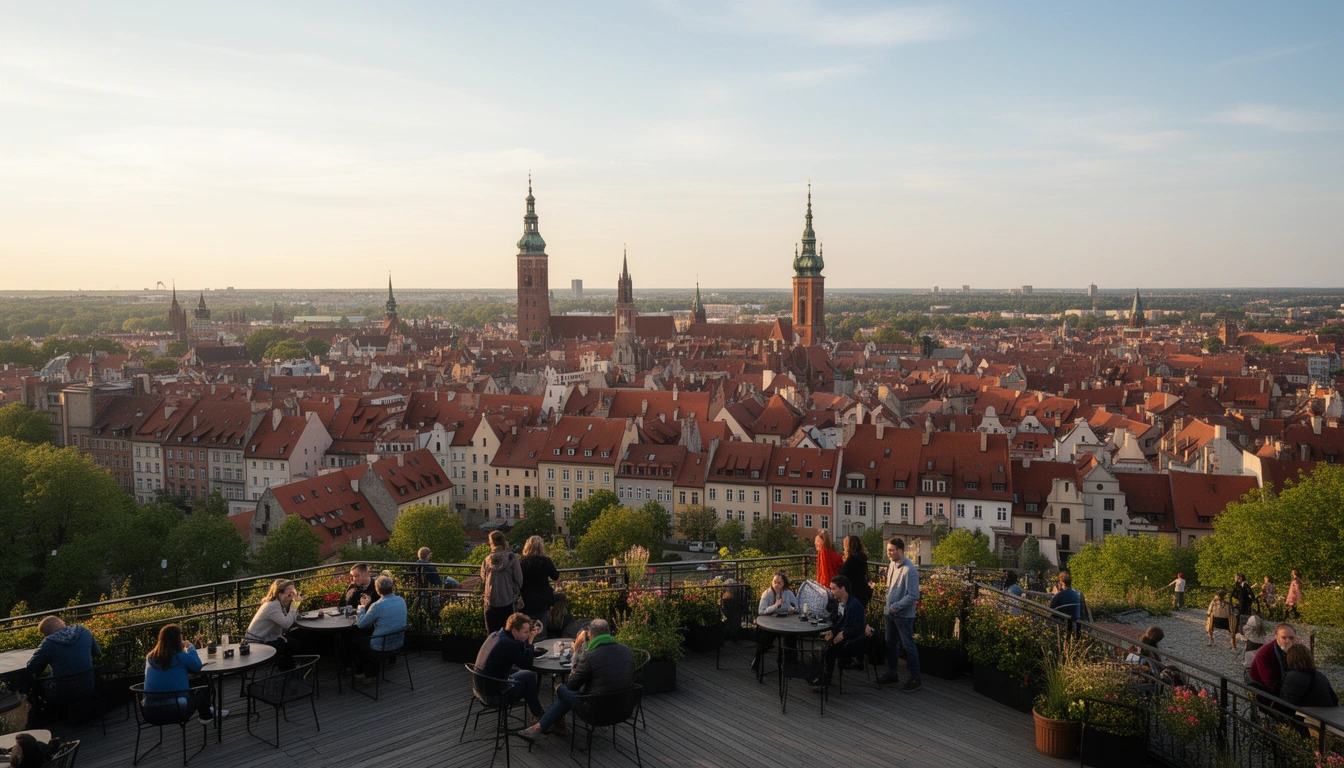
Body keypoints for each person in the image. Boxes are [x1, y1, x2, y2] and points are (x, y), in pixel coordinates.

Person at [519, 618, 635, 742]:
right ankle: (545, 727)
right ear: (609, 633)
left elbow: (571, 685)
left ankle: (543, 727)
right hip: (624, 709)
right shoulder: (626, 650)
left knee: (561, 689)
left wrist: (575, 658)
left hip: (596, 712)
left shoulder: (590, 656)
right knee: (571, 694)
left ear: (590, 634)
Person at [143, 624, 227, 724]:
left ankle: (207, 710)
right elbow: (197, 666)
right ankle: (206, 716)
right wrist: (191, 648)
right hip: (176, 711)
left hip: (149, 711)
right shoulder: (181, 656)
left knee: (193, 684)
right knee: (202, 686)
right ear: (177, 640)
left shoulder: (150, 657)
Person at [473, 612, 545, 727]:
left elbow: (519, 654)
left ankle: (538, 715)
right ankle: (541, 718)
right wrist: (530, 641)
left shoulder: (496, 635)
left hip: (479, 688)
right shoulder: (510, 644)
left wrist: (527, 641)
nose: (527, 635)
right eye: (525, 632)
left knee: (527, 676)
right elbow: (526, 664)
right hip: (493, 696)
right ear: (514, 631)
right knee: (529, 679)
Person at [24, 615, 100, 708]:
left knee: (38, 685)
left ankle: (50, 713)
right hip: (88, 685)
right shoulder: (83, 631)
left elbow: (32, 667)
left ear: (47, 633)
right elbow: (96, 651)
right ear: (62, 623)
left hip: (62, 691)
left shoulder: (48, 643)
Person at [876, 537, 921, 691]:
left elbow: (913, 595)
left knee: (908, 645)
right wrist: (888, 607)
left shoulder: (910, 570)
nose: (888, 553)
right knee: (890, 643)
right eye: (888, 550)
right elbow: (890, 588)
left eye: (891, 550)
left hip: (904, 615)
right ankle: (892, 673)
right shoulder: (892, 564)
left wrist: (896, 606)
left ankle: (915, 678)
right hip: (890, 613)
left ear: (900, 551)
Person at [817, 575, 871, 686]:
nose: (831, 592)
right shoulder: (836, 603)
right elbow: (834, 621)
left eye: (834, 588)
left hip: (852, 641)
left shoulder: (855, 605)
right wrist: (831, 631)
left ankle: (826, 678)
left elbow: (858, 628)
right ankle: (820, 674)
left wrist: (844, 633)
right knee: (821, 643)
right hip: (839, 636)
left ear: (843, 588)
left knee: (829, 649)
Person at [354, 576, 407, 682]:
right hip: (398, 644)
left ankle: (364, 673)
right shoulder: (401, 600)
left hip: (381, 647)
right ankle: (371, 672)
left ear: (377, 589)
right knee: (368, 637)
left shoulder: (377, 606)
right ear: (391, 587)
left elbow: (361, 625)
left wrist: (362, 608)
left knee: (356, 641)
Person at [245, 579, 301, 668]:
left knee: (297, 635)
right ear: (279, 594)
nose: (292, 596)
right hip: (258, 642)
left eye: (293, 593)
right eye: (289, 594)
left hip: (265, 638)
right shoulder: (273, 605)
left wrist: (294, 608)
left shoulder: (277, 603)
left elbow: (287, 620)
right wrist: (294, 606)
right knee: (292, 644)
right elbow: (286, 624)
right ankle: (289, 669)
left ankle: (288, 667)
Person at [751, 572, 797, 672]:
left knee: (792, 636)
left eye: (779, 583)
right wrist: (775, 606)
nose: (776, 585)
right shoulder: (767, 593)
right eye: (775, 582)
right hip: (771, 622)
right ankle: (757, 659)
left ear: (784, 583)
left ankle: (790, 663)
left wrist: (791, 609)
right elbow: (761, 611)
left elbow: (796, 606)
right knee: (765, 639)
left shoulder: (788, 593)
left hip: (786, 621)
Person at [481, 530, 524, 633]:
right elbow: (519, 579)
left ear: (491, 542)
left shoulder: (487, 560)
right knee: (510, 632)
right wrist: (513, 591)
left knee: (492, 635)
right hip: (508, 600)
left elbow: (483, 578)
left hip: (491, 601)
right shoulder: (511, 558)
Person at [519, 536, 561, 627]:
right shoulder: (546, 561)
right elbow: (555, 576)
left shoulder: (521, 562)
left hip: (526, 599)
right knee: (541, 626)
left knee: (526, 626)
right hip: (543, 599)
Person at [1250, 623, 1297, 696]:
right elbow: (1271, 683)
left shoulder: (1296, 650)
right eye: (1284, 638)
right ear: (1276, 636)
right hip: (1263, 688)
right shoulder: (1265, 653)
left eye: (1291, 638)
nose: (1287, 641)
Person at [838, 535, 874, 607]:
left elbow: (840, 577)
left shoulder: (850, 562)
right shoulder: (862, 559)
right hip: (862, 595)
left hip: (852, 595)